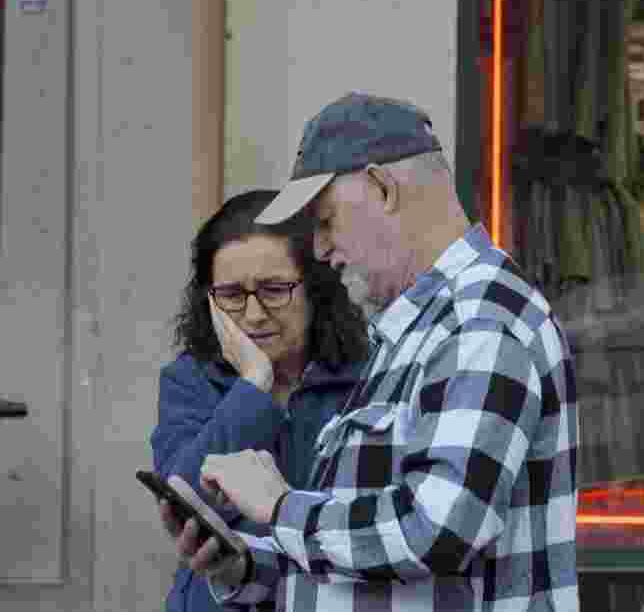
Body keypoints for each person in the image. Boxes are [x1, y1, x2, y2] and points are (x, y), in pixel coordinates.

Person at [156, 92, 579, 612]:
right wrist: (247, 567)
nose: (319, 251)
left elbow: (441, 530)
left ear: (382, 188)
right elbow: (376, 565)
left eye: (327, 220)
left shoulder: (480, 319)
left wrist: (281, 505)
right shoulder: (422, 324)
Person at [151, 189, 368, 612]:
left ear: (316, 288)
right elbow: (187, 503)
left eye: (273, 290)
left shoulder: (366, 376)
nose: (252, 315)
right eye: (231, 295)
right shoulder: (191, 380)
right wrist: (253, 383)